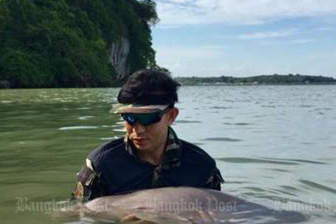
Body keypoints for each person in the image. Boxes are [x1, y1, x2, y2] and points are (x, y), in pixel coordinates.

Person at [72, 69, 224, 201]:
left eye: (148, 118)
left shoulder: (202, 167)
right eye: (129, 118)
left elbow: (213, 220)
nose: (138, 130)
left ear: (171, 116)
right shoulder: (101, 165)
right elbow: (80, 214)